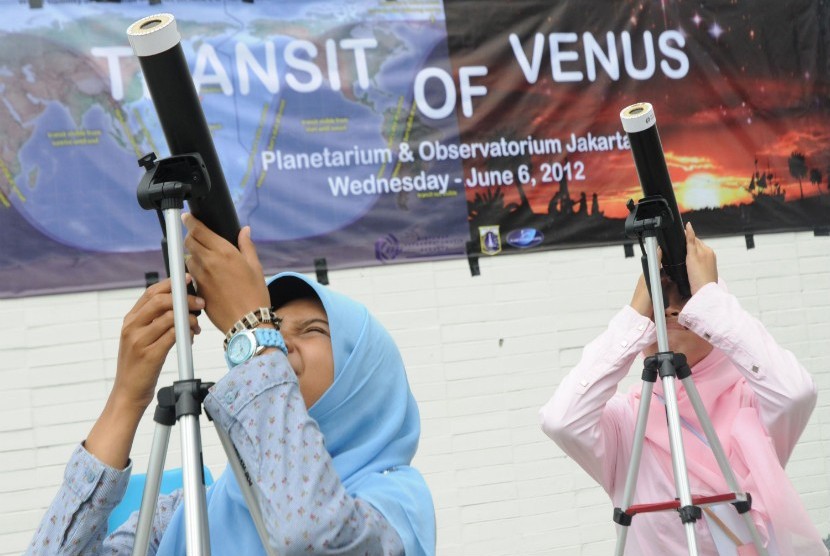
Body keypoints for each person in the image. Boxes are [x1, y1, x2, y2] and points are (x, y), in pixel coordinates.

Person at [27, 213, 435, 555]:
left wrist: (255, 332)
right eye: (273, 327)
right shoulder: (189, 514)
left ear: (363, 379)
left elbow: (309, 534)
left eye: (312, 330)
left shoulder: (397, 501)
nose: (279, 342)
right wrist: (126, 399)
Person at [540, 222, 825, 556]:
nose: (673, 310)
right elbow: (561, 420)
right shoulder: (628, 422)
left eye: (688, 297)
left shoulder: (752, 404)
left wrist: (712, 302)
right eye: (660, 299)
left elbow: (797, 393)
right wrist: (634, 317)